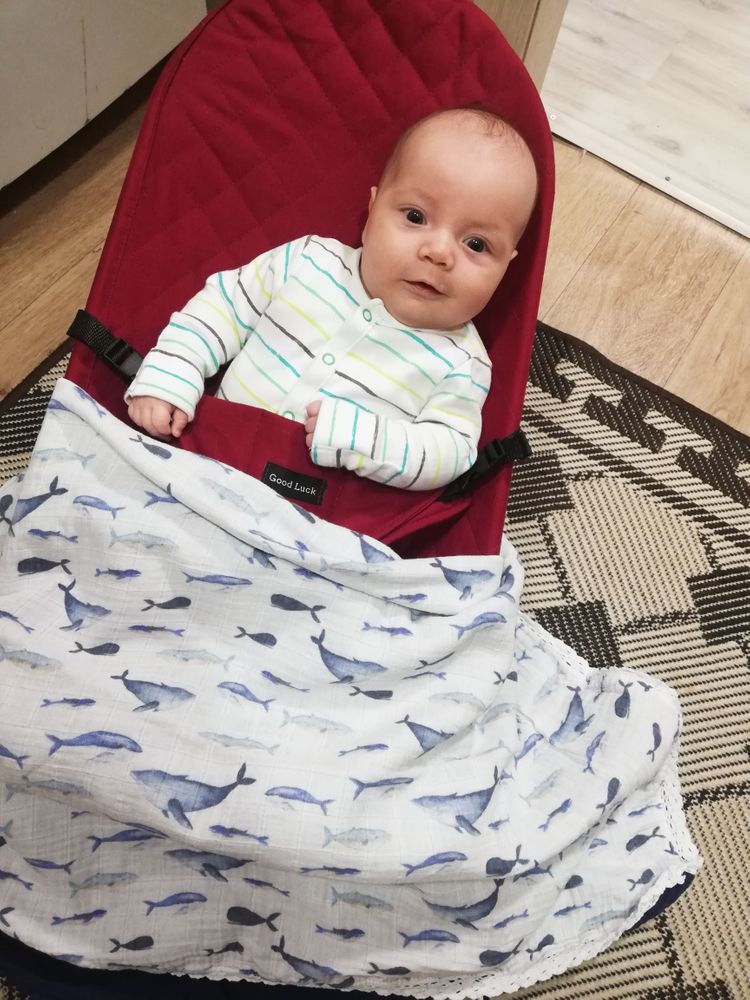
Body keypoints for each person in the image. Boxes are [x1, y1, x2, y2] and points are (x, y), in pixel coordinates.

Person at [126, 107, 538, 490]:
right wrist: (173, 371)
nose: (439, 253)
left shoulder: (462, 362)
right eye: (415, 217)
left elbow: (450, 452)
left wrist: (364, 439)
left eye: (477, 244)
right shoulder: (307, 260)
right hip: (198, 457)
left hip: (312, 515)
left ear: (506, 265)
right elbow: (224, 306)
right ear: (372, 213)